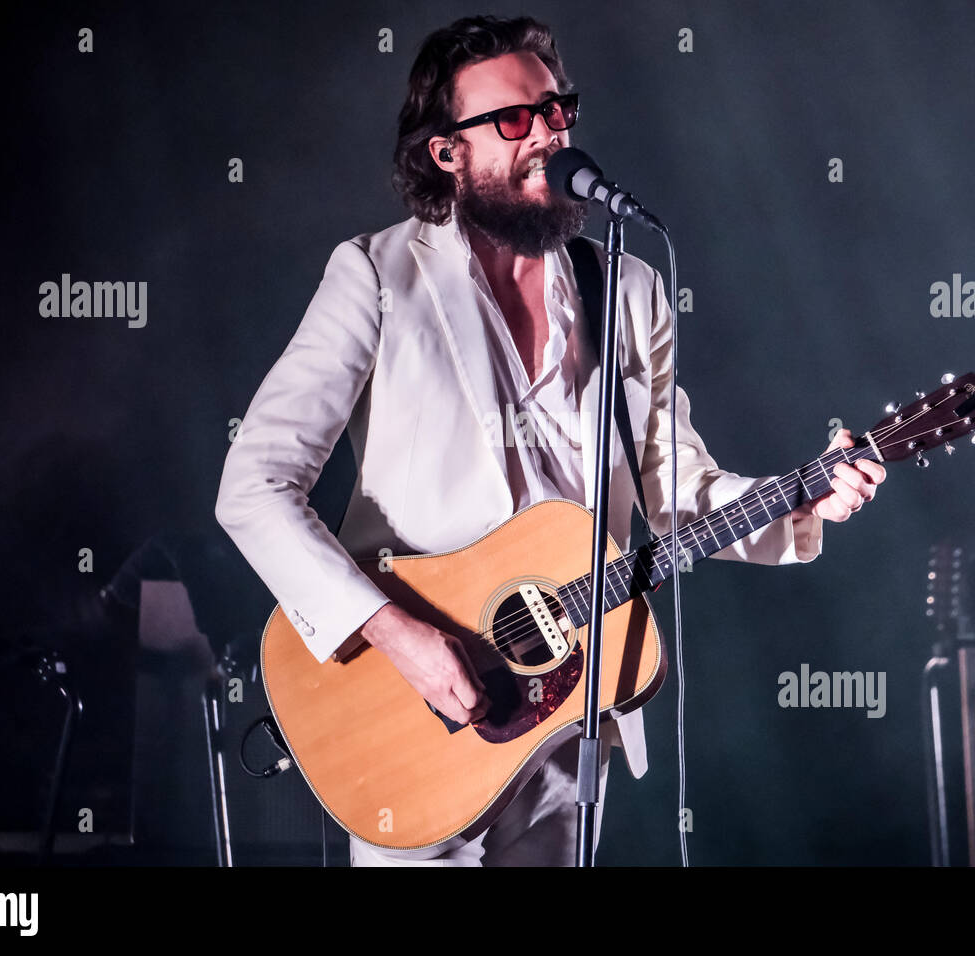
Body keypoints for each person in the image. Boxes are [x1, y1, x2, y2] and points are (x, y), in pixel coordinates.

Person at [214, 14, 885, 866]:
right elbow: (254, 482)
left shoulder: (628, 289)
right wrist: (397, 635)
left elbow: (676, 492)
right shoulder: (378, 276)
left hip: (573, 716)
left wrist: (805, 495)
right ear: (445, 153)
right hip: (411, 720)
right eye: (514, 120)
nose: (549, 135)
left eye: (558, 110)